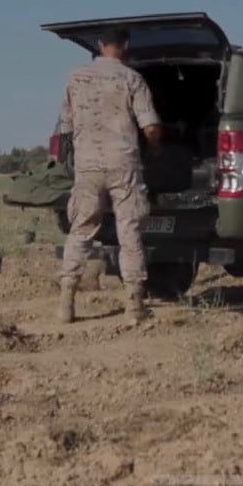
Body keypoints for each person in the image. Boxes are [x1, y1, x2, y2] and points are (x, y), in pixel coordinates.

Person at [56, 26, 162, 326]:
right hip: (123, 166)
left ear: (100, 45)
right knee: (129, 233)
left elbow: (65, 129)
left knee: (81, 230)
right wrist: (155, 149)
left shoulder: (76, 78)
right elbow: (150, 127)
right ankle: (134, 305)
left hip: (87, 167)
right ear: (125, 45)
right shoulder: (132, 79)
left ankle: (66, 302)